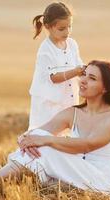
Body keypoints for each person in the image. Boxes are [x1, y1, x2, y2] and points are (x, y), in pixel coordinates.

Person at [0, 60, 110, 196]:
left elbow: (87, 145)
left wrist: (44, 140)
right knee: (39, 144)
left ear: (106, 88)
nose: (83, 81)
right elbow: (41, 131)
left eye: (92, 78)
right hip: (77, 170)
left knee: (45, 148)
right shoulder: (74, 112)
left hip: (103, 181)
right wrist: (25, 138)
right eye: (83, 75)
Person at [28, 2, 85, 130]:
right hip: (49, 104)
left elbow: (79, 64)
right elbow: (54, 78)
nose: (67, 31)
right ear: (48, 26)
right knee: (46, 135)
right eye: (62, 29)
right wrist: (76, 71)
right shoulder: (45, 50)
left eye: (70, 27)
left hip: (68, 100)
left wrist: (86, 70)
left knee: (67, 136)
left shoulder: (72, 44)